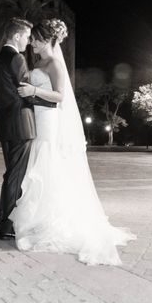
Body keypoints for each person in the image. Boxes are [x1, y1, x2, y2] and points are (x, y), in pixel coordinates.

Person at [10, 19, 136, 265]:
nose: (32, 43)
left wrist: (32, 91)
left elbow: (59, 96)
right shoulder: (39, 62)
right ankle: (40, 218)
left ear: (46, 40)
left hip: (49, 119)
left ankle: (51, 220)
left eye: (35, 39)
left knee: (47, 165)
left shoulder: (55, 63)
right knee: (41, 164)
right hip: (37, 117)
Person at [0, 18, 57, 240]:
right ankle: (5, 225)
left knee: (12, 174)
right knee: (15, 177)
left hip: (7, 124)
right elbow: (25, 91)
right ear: (17, 35)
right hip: (22, 124)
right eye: (27, 37)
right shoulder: (17, 58)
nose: (28, 42)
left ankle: (4, 222)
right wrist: (53, 103)